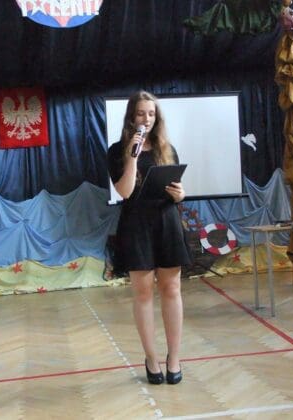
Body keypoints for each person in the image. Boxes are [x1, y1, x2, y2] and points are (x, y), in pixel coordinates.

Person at [107, 91, 192, 385]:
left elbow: (176, 189)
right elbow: (125, 191)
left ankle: (174, 358)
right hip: (136, 224)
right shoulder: (117, 150)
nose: (147, 118)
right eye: (142, 113)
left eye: (152, 113)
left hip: (167, 221)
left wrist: (180, 194)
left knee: (172, 289)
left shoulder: (167, 149)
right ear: (132, 116)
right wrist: (132, 156)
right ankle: (151, 358)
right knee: (143, 293)